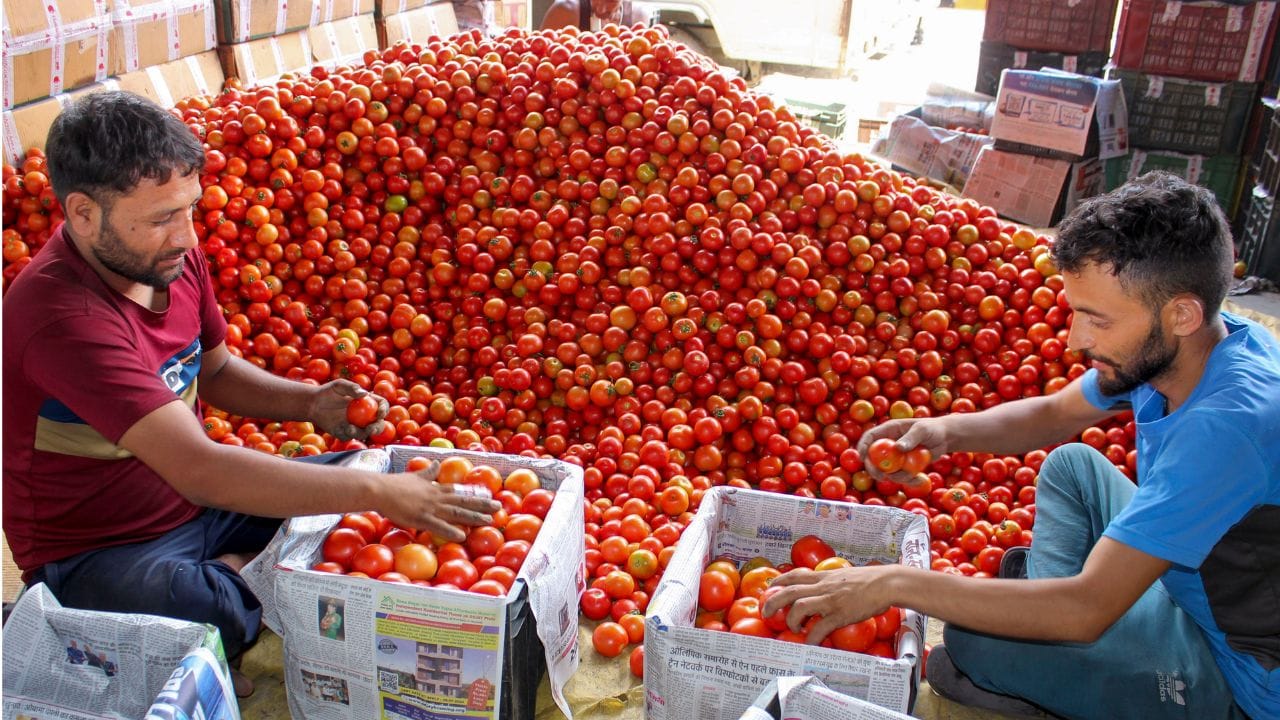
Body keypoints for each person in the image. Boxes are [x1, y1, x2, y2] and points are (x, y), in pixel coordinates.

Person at [1, 91, 500, 697]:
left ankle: (242, 576)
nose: (187, 235)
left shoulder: (169, 260)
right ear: (82, 214)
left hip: (199, 511)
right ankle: (239, 580)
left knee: (365, 470)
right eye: (161, 218)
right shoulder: (61, 319)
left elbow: (213, 370)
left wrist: (310, 403)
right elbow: (200, 468)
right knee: (196, 608)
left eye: (189, 207)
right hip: (101, 550)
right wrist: (376, 492)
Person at [763, 172, 1279, 719]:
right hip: (1190, 584)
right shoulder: (1206, 348)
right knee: (1072, 466)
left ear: (1182, 314)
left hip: (1236, 671)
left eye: (1096, 320)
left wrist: (892, 583)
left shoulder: (1224, 430)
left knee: (973, 641)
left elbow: (1085, 610)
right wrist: (943, 433)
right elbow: (1054, 414)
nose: (1077, 340)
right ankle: (1053, 633)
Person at [539, 0, 650, 31]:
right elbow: (541, 61)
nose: (601, 9)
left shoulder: (638, 17)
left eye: (610, 1)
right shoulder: (564, 11)